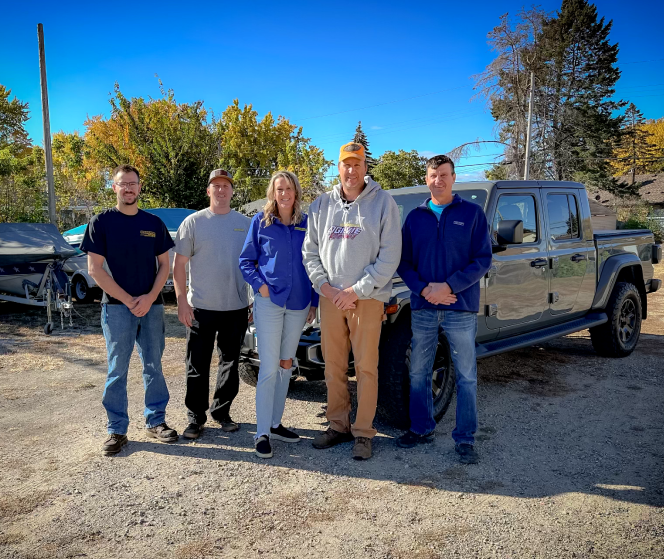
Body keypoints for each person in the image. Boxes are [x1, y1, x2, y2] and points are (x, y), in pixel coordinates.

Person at [302, 142, 402, 460]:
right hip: (331, 299)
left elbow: (390, 255)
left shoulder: (384, 204)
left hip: (368, 299)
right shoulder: (321, 205)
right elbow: (310, 252)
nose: (351, 170)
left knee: (366, 368)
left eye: (357, 164)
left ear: (364, 168)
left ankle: (362, 433)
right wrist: (327, 289)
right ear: (339, 167)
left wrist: (356, 291)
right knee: (333, 367)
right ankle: (338, 425)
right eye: (346, 164)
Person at [396, 155, 492, 464]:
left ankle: (465, 438)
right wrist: (425, 289)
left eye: (445, 175)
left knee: (466, 375)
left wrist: (448, 287)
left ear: (453, 178)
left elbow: (482, 259)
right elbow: (404, 262)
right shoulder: (414, 218)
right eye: (434, 174)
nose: (439, 180)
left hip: (459, 307)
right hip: (423, 306)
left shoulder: (472, 214)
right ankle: (421, 428)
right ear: (427, 178)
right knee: (418, 372)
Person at [81, 164, 178, 456]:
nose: (128, 189)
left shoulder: (154, 223)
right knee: (116, 370)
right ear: (114, 188)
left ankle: (156, 421)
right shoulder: (101, 223)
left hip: (153, 306)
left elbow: (166, 265)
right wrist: (127, 299)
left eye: (133, 184)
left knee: (153, 366)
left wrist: (150, 297)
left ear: (139, 187)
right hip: (116, 308)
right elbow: (95, 270)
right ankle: (116, 429)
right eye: (123, 184)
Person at [239, 171, 318, 459]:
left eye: (289, 188)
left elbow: (315, 264)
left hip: (299, 304)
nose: (284, 193)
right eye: (279, 189)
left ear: (296, 192)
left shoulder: (306, 224)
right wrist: (260, 287)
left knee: (287, 363)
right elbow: (246, 261)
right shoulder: (260, 222)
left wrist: (315, 301)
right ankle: (262, 433)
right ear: (273, 193)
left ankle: (275, 422)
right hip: (270, 302)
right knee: (270, 367)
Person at [173, 169, 250, 439]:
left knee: (230, 363)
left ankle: (222, 412)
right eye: (215, 186)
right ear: (208, 191)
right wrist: (182, 301)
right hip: (200, 309)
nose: (221, 190)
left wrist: (251, 302)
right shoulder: (193, 223)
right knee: (197, 365)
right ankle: (195, 417)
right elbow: (179, 266)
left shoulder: (246, 223)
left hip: (236, 308)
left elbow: (253, 263)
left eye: (225, 186)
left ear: (232, 191)